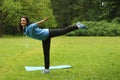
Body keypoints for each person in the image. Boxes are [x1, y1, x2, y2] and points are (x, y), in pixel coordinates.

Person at [19, 16, 86, 74]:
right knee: (46, 53)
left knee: (63, 31)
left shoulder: (30, 26)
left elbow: (36, 24)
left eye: (24, 20)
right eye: (21, 20)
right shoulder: (25, 29)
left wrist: (44, 20)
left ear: (27, 21)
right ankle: (46, 70)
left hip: (48, 33)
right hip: (45, 38)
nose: (22, 21)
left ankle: (77, 26)